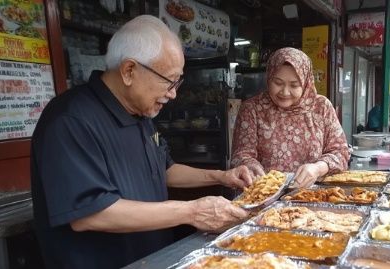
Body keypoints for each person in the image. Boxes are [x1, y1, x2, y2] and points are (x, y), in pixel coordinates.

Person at [31, 15, 252, 269]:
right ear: (129, 71)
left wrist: (222, 176)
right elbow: (91, 213)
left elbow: (165, 170)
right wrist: (193, 211)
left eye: (177, 81)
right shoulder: (70, 120)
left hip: (152, 259)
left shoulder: (140, 112)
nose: (173, 93)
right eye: (169, 81)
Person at [231, 47, 350, 188]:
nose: (285, 92)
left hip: (313, 196)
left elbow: (341, 153)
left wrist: (318, 168)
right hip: (264, 194)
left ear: (306, 83)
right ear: (268, 78)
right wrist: (251, 167)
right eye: (278, 83)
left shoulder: (321, 107)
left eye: (294, 85)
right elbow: (241, 155)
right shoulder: (252, 109)